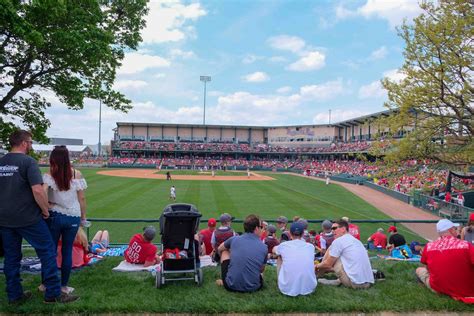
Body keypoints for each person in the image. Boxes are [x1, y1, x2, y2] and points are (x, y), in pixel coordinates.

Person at [0, 130, 78, 304]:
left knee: (11, 258)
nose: (31, 145)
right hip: (28, 217)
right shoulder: (28, 161)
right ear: (24, 143)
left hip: (4, 218)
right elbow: (37, 190)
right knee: (47, 252)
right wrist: (45, 210)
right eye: (30, 142)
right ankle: (53, 293)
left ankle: (15, 296)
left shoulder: (1, 161)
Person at [43, 145, 87, 295]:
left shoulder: (49, 174)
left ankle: (46, 284)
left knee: (50, 251)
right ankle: (63, 286)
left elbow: (42, 194)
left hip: (54, 215)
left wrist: (47, 206)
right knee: (67, 251)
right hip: (73, 217)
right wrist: (83, 217)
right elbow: (82, 198)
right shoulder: (77, 173)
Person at [416, 219, 474, 302]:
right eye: (455, 229)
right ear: (451, 230)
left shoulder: (428, 246)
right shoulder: (466, 245)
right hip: (467, 290)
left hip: (439, 288)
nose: (457, 231)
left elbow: (428, 269)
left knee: (419, 270)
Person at [315, 219, 374, 289]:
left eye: (334, 228)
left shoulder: (338, 241)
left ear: (343, 229)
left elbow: (328, 264)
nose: (332, 231)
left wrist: (315, 266)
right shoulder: (357, 241)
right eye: (331, 229)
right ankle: (336, 280)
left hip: (355, 283)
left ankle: (317, 275)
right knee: (340, 256)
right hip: (368, 283)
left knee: (331, 250)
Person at [216, 214, 267, 292]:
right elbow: (261, 270)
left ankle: (227, 278)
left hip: (231, 286)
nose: (262, 229)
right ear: (256, 228)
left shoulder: (234, 239)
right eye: (261, 227)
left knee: (224, 251)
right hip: (254, 287)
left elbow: (219, 248)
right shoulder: (264, 247)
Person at [273, 221, 317, 296]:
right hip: (309, 288)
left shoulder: (284, 245)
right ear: (303, 234)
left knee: (279, 257)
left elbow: (274, 250)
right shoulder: (310, 247)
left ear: (290, 233)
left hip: (287, 289)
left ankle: (283, 281)